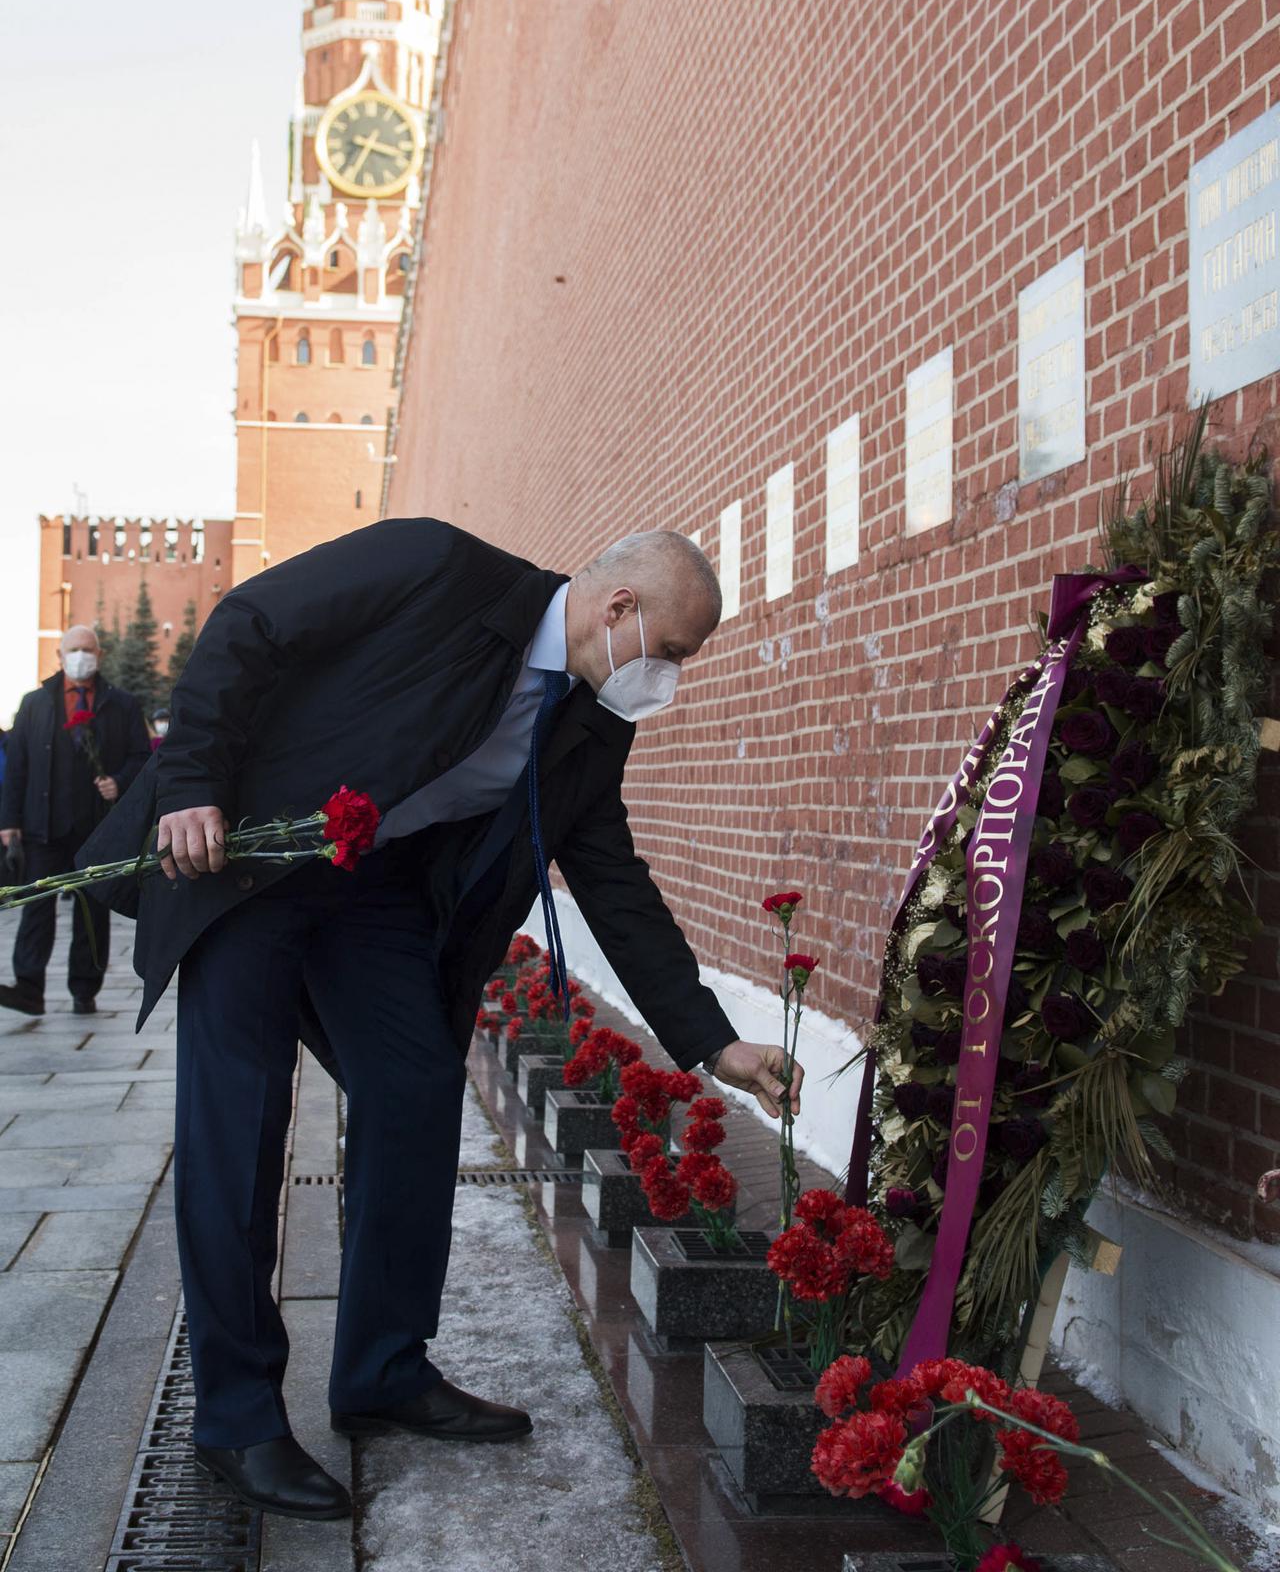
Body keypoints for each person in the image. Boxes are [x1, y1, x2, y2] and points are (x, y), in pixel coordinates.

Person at [77, 520, 805, 1522]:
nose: (670, 676)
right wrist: (194, 782)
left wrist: (713, 1041)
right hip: (249, 853)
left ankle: (381, 1369)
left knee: (416, 1089)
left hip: (368, 894)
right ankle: (237, 1420)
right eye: (671, 651)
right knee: (239, 1124)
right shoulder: (438, 569)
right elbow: (250, 623)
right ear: (618, 608)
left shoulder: (590, 725)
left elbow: (614, 884)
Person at [0, 627, 150, 1016]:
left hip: (96, 829)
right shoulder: (35, 703)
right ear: (59, 655)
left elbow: (142, 757)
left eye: (87, 649)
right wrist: (9, 820)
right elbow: (17, 766)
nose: (80, 656)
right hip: (43, 826)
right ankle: (28, 987)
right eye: (73, 649)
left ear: (99, 655)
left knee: (91, 910)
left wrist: (118, 781)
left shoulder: (122, 704)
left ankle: (85, 988)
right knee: (36, 906)